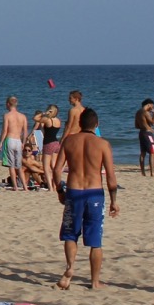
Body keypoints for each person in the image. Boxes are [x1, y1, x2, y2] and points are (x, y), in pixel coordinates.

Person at [53, 107, 119, 290]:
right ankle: (95, 281)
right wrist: (114, 200)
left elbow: (56, 170)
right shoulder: (103, 144)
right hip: (94, 193)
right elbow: (111, 177)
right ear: (97, 125)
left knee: (70, 235)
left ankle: (70, 268)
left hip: (74, 192)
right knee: (95, 241)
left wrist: (60, 191)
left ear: (80, 124)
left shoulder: (69, 141)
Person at [0, 96, 29, 190]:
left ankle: (15, 187)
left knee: (11, 166)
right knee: (19, 166)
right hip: (18, 141)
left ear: (8, 104)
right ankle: (25, 187)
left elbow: (5, 130)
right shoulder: (23, 116)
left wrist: (1, 142)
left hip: (10, 139)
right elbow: (25, 131)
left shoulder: (7, 115)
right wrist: (23, 142)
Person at [136, 99, 154, 176]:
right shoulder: (145, 112)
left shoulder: (138, 112)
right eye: (152, 106)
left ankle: (143, 172)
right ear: (149, 104)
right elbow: (153, 122)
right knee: (152, 152)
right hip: (148, 133)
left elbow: (136, 125)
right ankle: (152, 172)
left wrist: (144, 126)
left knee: (143, 153)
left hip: (141, 133)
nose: (152, 108)